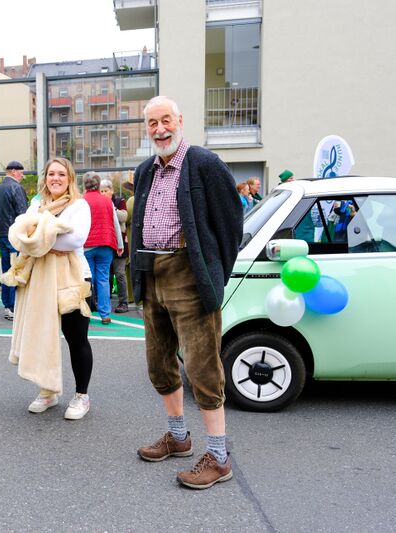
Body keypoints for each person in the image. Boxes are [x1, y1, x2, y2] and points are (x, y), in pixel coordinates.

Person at [130, 96, 243, 490]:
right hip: (152, 273)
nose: (159, 129)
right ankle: (178, 437)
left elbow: (231, 226)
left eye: (165, 120)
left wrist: (214, 274)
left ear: (179, 120)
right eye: (152, 123)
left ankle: (219, 456)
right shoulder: (145, 170)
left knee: (202, 368)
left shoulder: (204, 164)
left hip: (189, 274)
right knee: (159, 363)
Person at [2, 157, 94, 420]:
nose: (55, 178)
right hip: (40, 279)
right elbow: (21, 238)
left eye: (61, 174)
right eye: (51, 174)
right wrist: (49, 236)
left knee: (77, 339)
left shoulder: (79, 205)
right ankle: (48, 390)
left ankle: (81, 396)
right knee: (42, 336)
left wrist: (40, 236)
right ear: (45, 177)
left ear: (70, 178)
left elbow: (75, 239)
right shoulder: (36, 203)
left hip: (73, 279)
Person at [83, 172, 123, 325]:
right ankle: (105, 314)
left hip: (87, 246)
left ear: (85, 185)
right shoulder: (107, 201)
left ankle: (86, 310)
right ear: (98, 184)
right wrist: (119, 244)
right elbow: (115, 224)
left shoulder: (81, 201)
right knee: (103, 279)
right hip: (105, 244)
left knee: (87, 279)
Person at [0, 160, 28, 320]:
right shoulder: (16, 188)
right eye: (21, 172)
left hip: (2, 234)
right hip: (15, 235)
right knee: (16, 270)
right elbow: (23, 214)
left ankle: (7, 305)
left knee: (7, 271)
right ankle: (14, 306)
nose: (22, 175)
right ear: (13, 171)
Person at [100, 179, 129, 314]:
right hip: (105, 242)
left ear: (111, 191)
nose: (104, 193)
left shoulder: (119, 201)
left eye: (106, 191)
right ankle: (107, 300)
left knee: (120, 273)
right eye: (101, 191)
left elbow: (124, 216)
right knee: (106, 274)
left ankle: (123, 302)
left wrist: (110, 208)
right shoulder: (99, 203)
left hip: (119, 242)